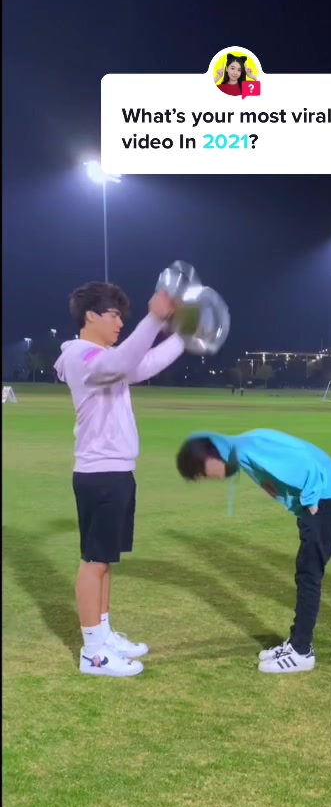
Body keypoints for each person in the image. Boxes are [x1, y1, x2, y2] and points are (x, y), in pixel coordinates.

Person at [54, 281, 185, 678]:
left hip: (117, 471)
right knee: (93, 562)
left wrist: (182, 338)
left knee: (105, 561)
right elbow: (128, 359)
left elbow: (141, 365)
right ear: (90, 315)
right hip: (99, 473)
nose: (120, 323)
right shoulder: (80, 355)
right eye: (113, 315)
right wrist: (155, 319)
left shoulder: (107, 358)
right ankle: (93, 653)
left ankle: (104, 634)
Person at [176, 429, 331, 673]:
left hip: (326, 498)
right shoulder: (242, 451)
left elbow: (302, 458)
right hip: (323, 498)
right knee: (306, 573)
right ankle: (297, 643)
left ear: (210, 456)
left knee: (309, 576)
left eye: (203, 472)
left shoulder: (249, 448)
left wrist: (311, 501)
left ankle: (301, 651)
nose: (208, 478)